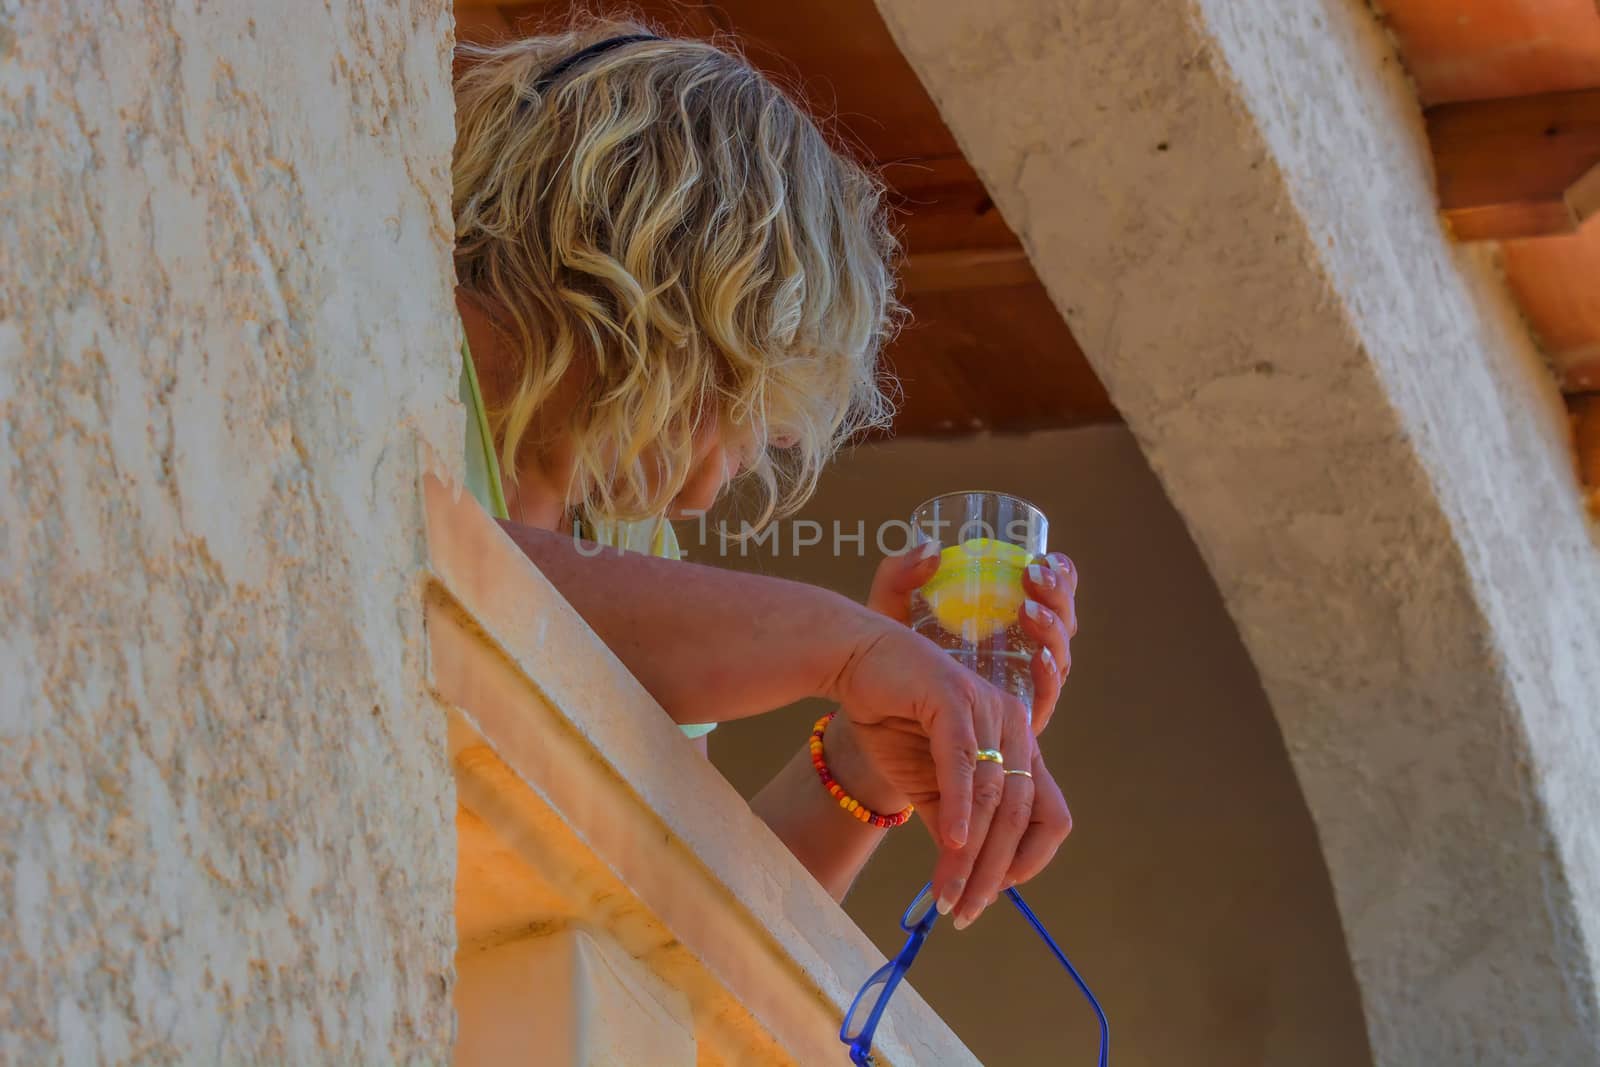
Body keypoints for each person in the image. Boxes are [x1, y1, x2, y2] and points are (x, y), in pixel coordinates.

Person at [451, 19, 1078, 929]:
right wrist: (846, 645)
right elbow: (441, 561)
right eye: (744, 398)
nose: (748, 454)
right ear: (658, 297)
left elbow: (681, 914)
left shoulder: (624, 536)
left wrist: (866, 760)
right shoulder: (413, 349)